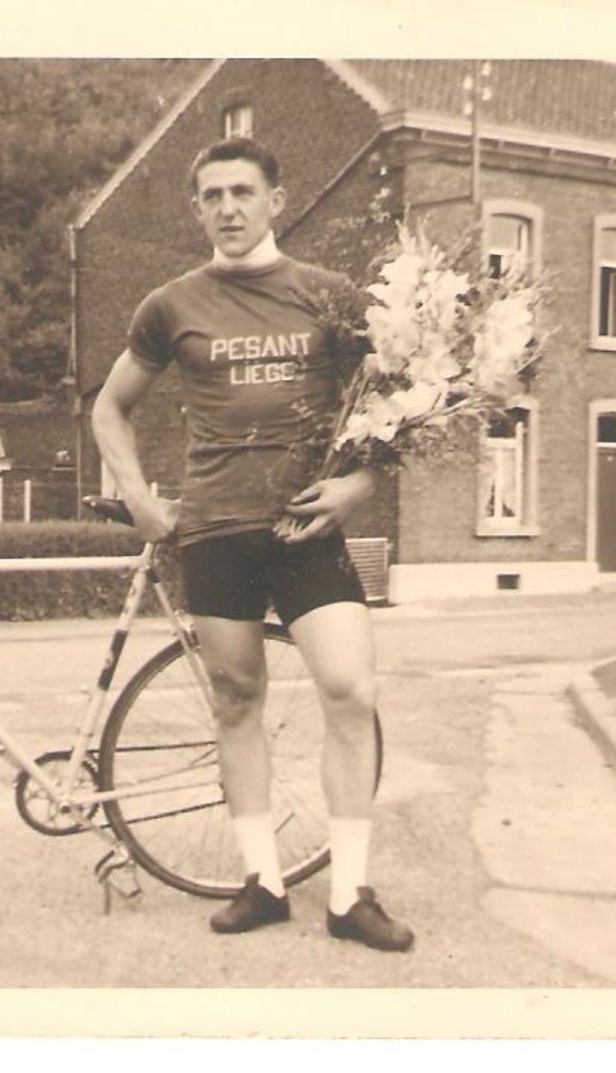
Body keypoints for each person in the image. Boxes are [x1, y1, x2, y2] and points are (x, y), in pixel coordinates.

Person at [90, 136, 414, 952]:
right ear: (196, 208)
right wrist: (137, 496)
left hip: (306, 528)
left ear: (276, 199)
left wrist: (357, 484)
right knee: (235, 701)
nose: (227, 208)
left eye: (241, 191)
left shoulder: (330, 296)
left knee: (349, 689)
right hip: (215, 530)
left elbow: (399, 402)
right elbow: (108, 407)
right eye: (211, 195)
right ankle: (262, 882)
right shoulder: (170, 304)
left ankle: (349, 893)